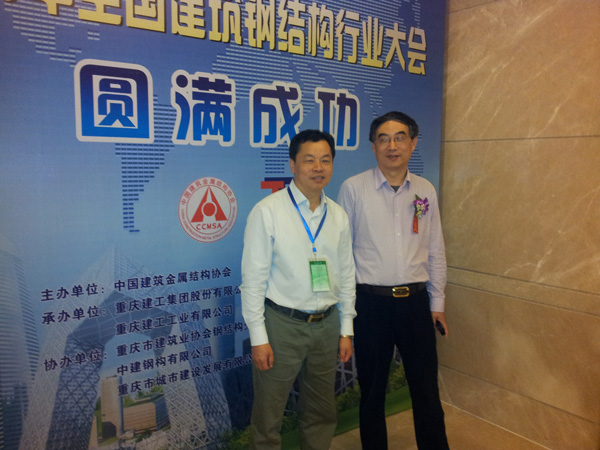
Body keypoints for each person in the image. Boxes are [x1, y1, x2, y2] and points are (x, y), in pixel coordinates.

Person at [337, 111, 450, 450]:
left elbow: (435, 248)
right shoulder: (353, 188)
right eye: (383, 139)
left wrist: (437, 303)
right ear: (373, 146)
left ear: (413, 143)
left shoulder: (425, 189)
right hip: (371, 304)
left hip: (415, 304)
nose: (392, 146)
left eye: (400, 137)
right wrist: (346, 314)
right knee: (372, 391)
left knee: (426, 389)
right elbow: (342, 254)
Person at [241, 129, 356, 450]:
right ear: (293, 164)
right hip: (282, 325)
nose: (318, 168)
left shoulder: (338, 216)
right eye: (309, 160)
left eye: (325, 160)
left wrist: (346, 329)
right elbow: (253, 280)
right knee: (269, 414)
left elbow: (347, 274)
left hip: (327, 324)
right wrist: (259, 337)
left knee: (321, 410)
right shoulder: (268, 211)